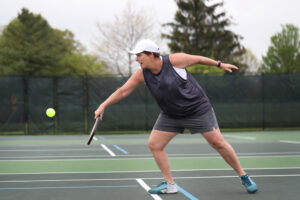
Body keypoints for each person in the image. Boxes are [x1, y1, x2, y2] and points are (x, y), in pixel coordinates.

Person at [94, 39, 258, 194]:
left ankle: (243, 176)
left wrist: (220, 64)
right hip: (171, 114)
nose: (137, 59)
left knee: (218, 143)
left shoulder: (175, 61)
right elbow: (123, 91)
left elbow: (198, 59)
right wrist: (103, 105)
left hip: (197, 110)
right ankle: (170, 184)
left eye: (139, 55)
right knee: (154, 144)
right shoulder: (142, 74)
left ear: (151, 54)